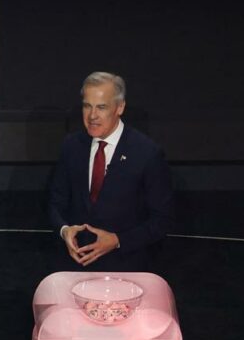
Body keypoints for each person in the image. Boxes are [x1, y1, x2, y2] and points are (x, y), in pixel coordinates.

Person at [48, 72, 172, 272]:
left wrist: (118, 240)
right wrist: (64, 230)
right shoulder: (71, 146)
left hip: (127, 269)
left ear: (120, 107)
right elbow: (56, 202)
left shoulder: (147, 153)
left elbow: (162, 220)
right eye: (87, 106)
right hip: (75, 267)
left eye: (101, 107)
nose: (92, 116)